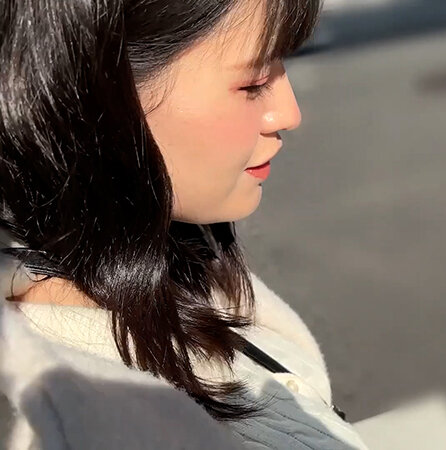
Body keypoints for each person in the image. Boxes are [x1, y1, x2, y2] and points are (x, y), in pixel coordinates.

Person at [0, 0, 368, 448]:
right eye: (253, 83)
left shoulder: (166, 256)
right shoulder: (86, 421)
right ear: (85, 95)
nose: (288, 114)